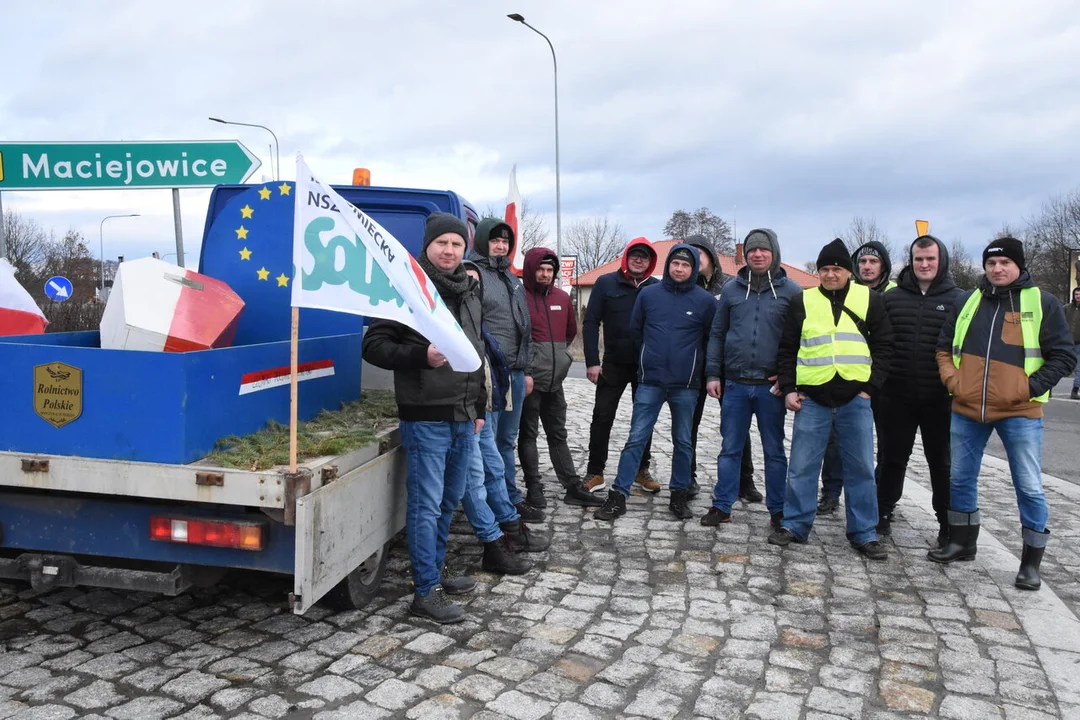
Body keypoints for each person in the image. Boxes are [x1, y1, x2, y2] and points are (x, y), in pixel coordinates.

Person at [929, 237, 1076, 591]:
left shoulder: (1042, 303)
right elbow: (945, 348)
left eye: (1005, 263)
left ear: (1019, 266)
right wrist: (954, 381)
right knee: (960, 478)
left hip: (1019, 412)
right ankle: (962, 543)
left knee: (1028, 485)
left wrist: (1025, 388)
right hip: (967, 408)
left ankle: (1030, 563)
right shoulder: (969, 301)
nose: (997, 269)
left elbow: (1064, 356)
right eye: (992, 264)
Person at [362, 212, 485, 623]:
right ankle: (424, 591)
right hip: (426, 415)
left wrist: (479, 406)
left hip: (463, 414)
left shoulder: (469, 289)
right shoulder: (407, 289)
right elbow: (374, 345)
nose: (449, 251)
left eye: (456, 244)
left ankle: (436, 568)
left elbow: (476, 353)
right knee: (426, 506)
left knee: (449, 502)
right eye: (442, 244)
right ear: (427, 247)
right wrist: (421, 355)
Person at [770, 239, 894, 560]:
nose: (830, 274)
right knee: (801, 466)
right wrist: (790, 388)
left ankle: (864, 532)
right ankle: (795, 524)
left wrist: (871, 387)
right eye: (824, 269)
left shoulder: (869, 299)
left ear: (848, 272)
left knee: (861, 468)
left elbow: (885, 347)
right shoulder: (803, 301)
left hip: (855, 398)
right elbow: (787, 350)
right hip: (812, 397)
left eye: (836, 269)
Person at [594, 244, 716, 521]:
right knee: (636, 438)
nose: (680, 269)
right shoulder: (648, 295)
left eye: (686, 265)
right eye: (675, 263)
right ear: (667, 265)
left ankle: (679, 494)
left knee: (684, 441)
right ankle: (618, 495)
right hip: (650, 381)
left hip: (686, 385)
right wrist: (647, 361)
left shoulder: (706, 301)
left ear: (694, 268)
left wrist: (704, 372)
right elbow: (636, 332)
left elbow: (711, 340)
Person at [703, 229, 801, 527]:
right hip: (734, 384)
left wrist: (788, 378)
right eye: (752, 251)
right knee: (730, 449)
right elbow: (717, 333)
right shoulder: (732, 290)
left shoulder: (792, 292)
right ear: (745, 255)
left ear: (774, 252)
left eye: (763, 250)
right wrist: (712, 374)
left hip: (771, 388)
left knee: (774, 451)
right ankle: (722, 505)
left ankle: (778, 509)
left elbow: (800, 341)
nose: (757, 255)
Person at [457, 261, 542, 577]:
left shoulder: (477, 311)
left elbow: (485, 360)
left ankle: (510, 525)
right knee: (474, 476)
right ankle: (493, 541)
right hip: (458, 407)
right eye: (467, 280)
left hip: (481, 402)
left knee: (493, 466)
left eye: (477, 282)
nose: (472, 285)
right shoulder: (454, 310)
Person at [876, 236, 962, 547]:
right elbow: (879, 344)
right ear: (911, 261)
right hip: (895, 395)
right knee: (891, 458)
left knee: (941, 464)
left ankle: (946, 524)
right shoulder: (892, 298)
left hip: (940, 399)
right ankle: (882, 513)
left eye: (930, 259)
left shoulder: (960, 300)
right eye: (918, 259)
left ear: (942, 262)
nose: (924, 265)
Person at [519, 248, 604, 507]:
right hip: (530, 381)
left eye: (549, 270)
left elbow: (569, 333)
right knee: (528, 435)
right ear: (531, 270)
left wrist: (560, 359)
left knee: (558, 434)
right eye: (540, 269)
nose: (545, 274)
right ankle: (534, 487)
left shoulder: (562, 298)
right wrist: (529, 368)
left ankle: (572, 487)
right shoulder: (519, 297)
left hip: (555, 382)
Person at [817, 240, 895, 513]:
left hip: (884, 381)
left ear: (883, 266)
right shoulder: (844, 293)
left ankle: (880, 501)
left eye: (873, 262)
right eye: (862, 262)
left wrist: (876, 382)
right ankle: (830, 492)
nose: (867, 266)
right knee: (835, 442)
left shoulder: (895, 295)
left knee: (883, 445)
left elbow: (890, 341)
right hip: (849, 382)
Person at [470, 219, 537, 520]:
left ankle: (510, 496)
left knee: (507, 441)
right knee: (489, 445)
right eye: (495, 240)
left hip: (517, 372)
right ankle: (494, 505)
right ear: (483, 241)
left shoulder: (512, 278)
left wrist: (527, 367)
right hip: (491, 372)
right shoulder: (473, 274)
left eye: (505, 241)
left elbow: (526, 326)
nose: (500, 245)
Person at [582, 238, 661, 493]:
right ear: (626, 257)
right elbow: (591, 322)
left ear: (651, 262)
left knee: (643, 420)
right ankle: (595, 472)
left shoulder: (656, 288)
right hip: (612, 363)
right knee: (602, 416)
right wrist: (592, 361)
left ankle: (640, 469)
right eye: (635, 255)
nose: (639, 260)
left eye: (645, 257)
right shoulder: (606, 283)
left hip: (645, 366)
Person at [686, 236, 760, 502]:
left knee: (735, 426)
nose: (695, 256)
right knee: (688, 424)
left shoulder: (730, 284)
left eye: (699, 251)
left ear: (710, 254)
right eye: (689, 252)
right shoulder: (683, 285)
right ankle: (687, 476)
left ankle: (745, 480)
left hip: (726, 364)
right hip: (693, 363)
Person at [1066, 286, 1080, 400]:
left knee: (1079, 368)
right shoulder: (1066, 308)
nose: (1078, 296)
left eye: (1079, 294)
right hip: (1066, 343)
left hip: (1079, 344)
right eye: (1076, 294)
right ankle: (1049, 388)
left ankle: (1075, 391)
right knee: (1059, 366)